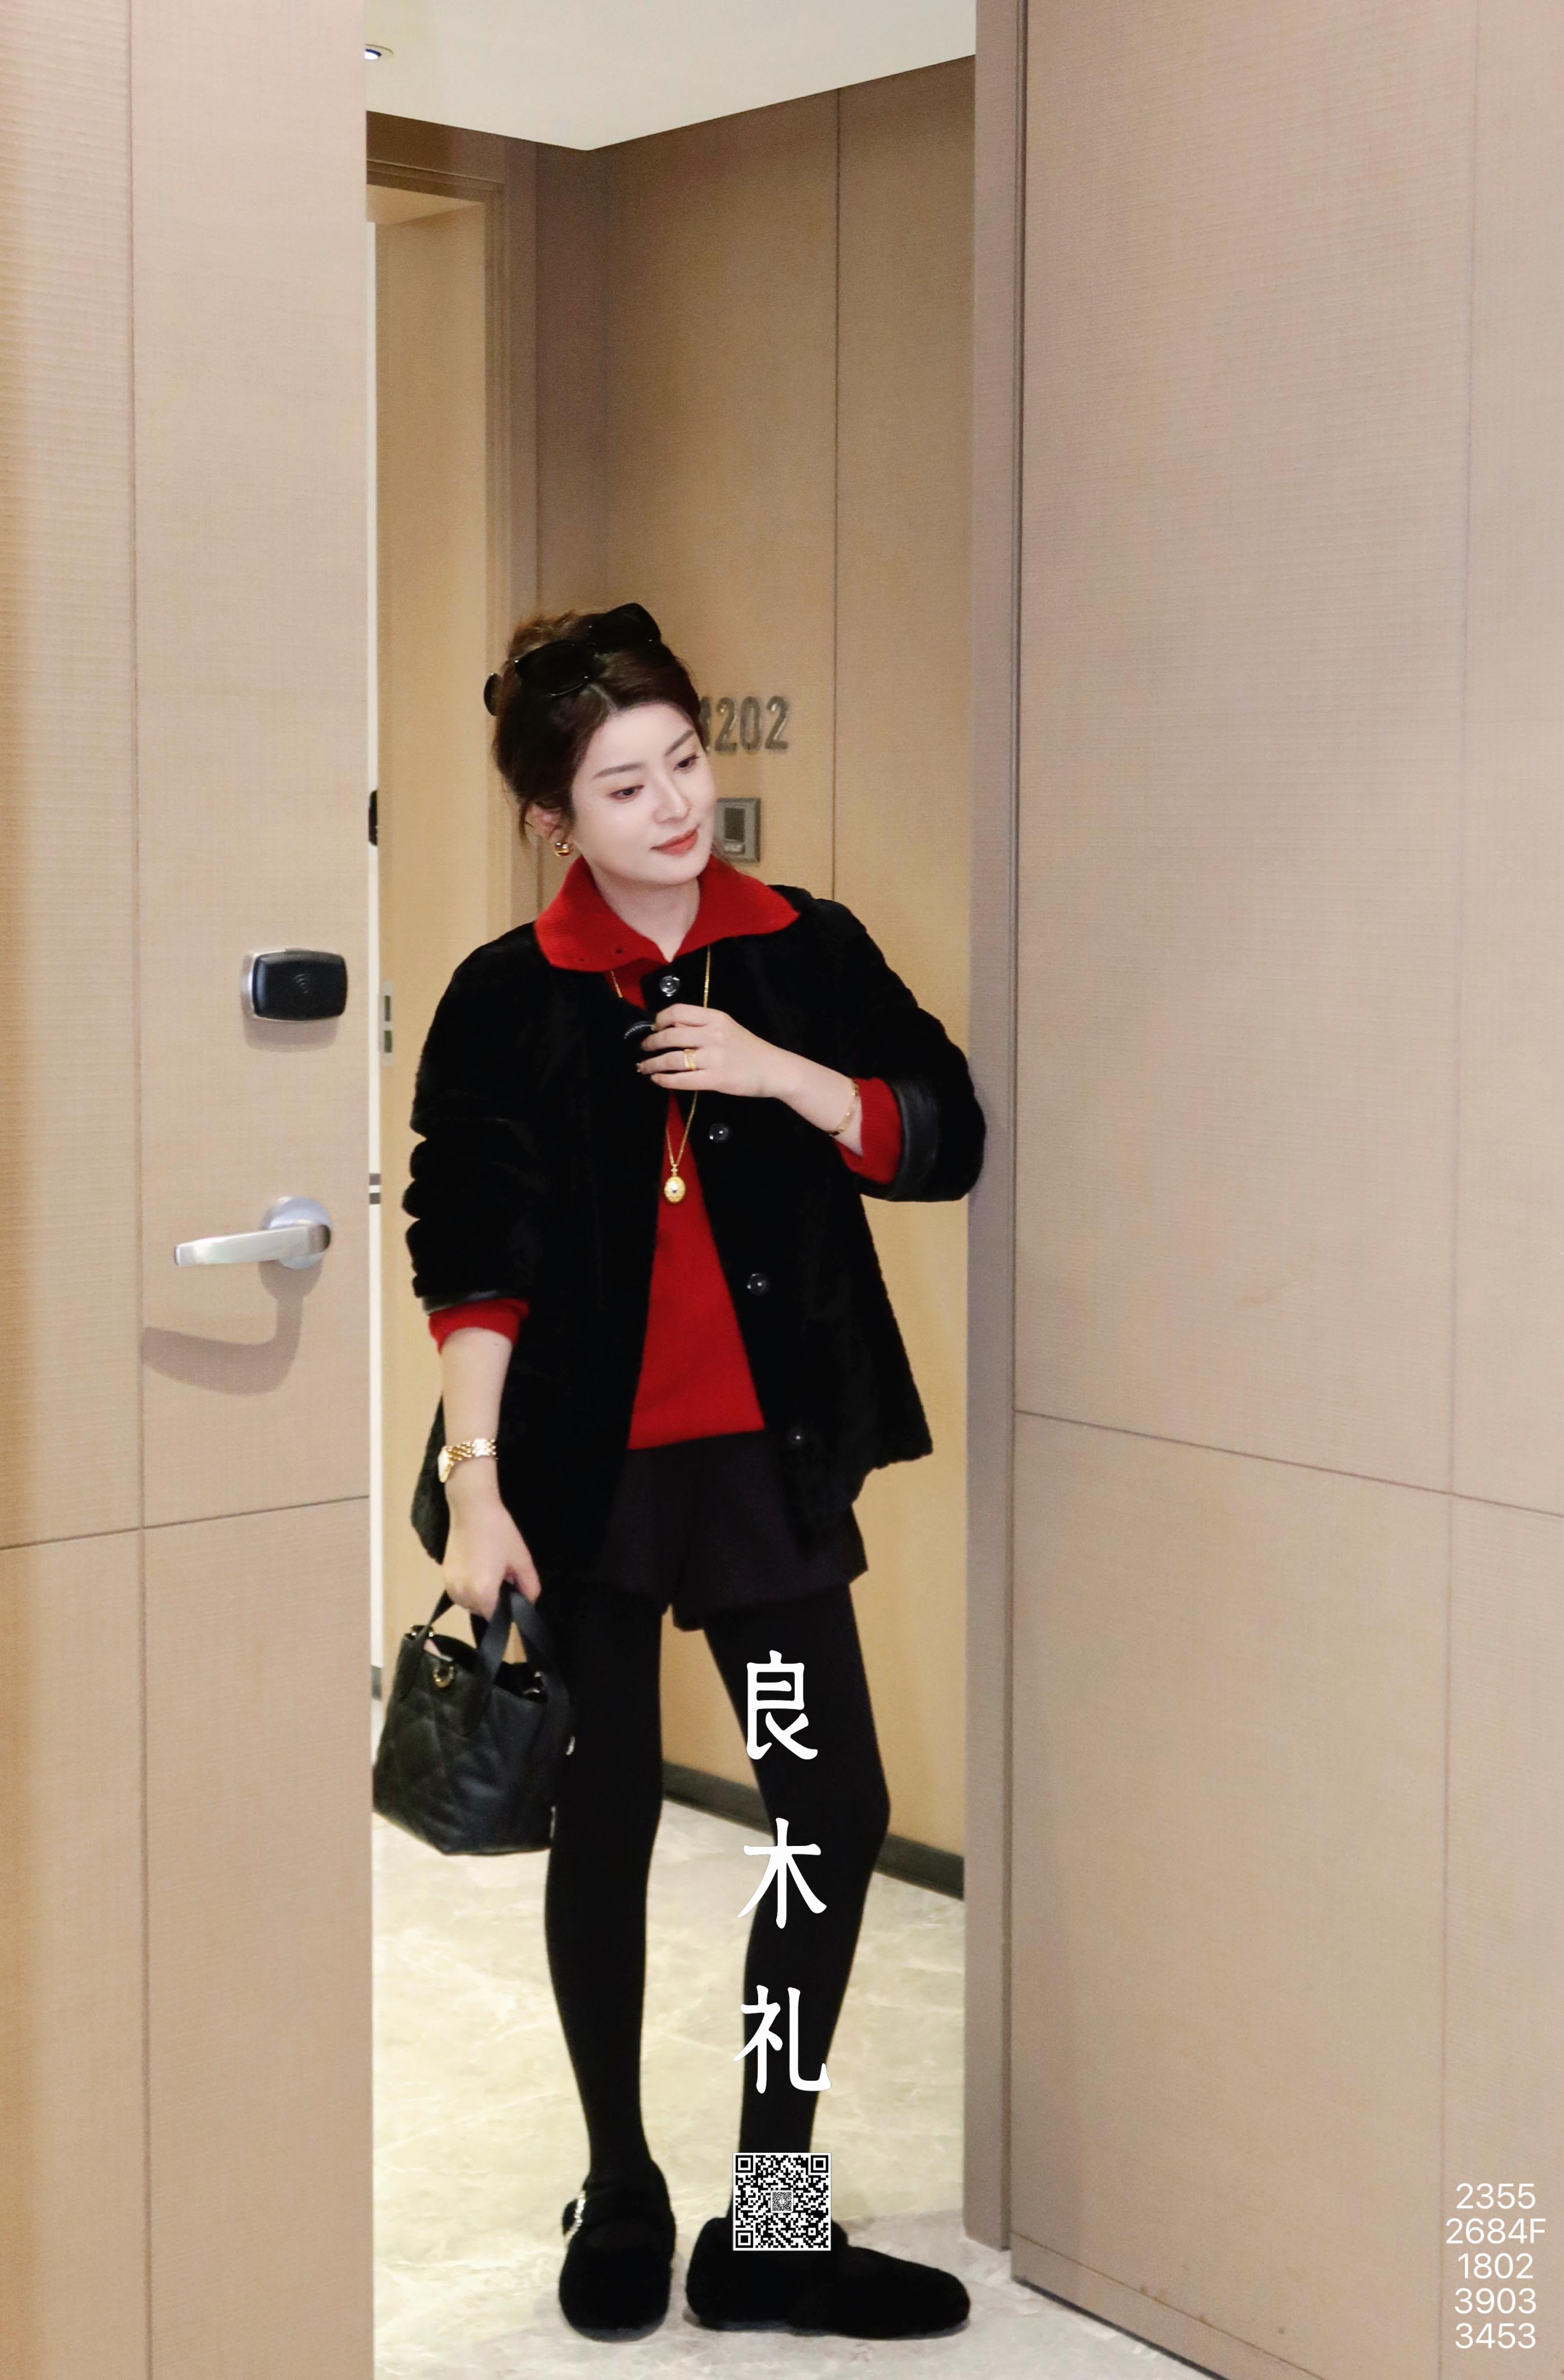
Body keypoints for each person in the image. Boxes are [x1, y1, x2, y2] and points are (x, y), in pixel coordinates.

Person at [400, 601, 985, 2342]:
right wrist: (477, 1484)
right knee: (606, 1818)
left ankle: (775, 2223)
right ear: (551, 819)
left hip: (756, 1483)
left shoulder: (803, 947)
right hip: (577, 1494)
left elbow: (942, 1130)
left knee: (825, 1815)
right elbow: (470, 1255)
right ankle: (624, 2188)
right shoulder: (504, 997)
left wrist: (783, 1075)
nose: (671, 807)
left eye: (681, 762)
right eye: (621, 784)